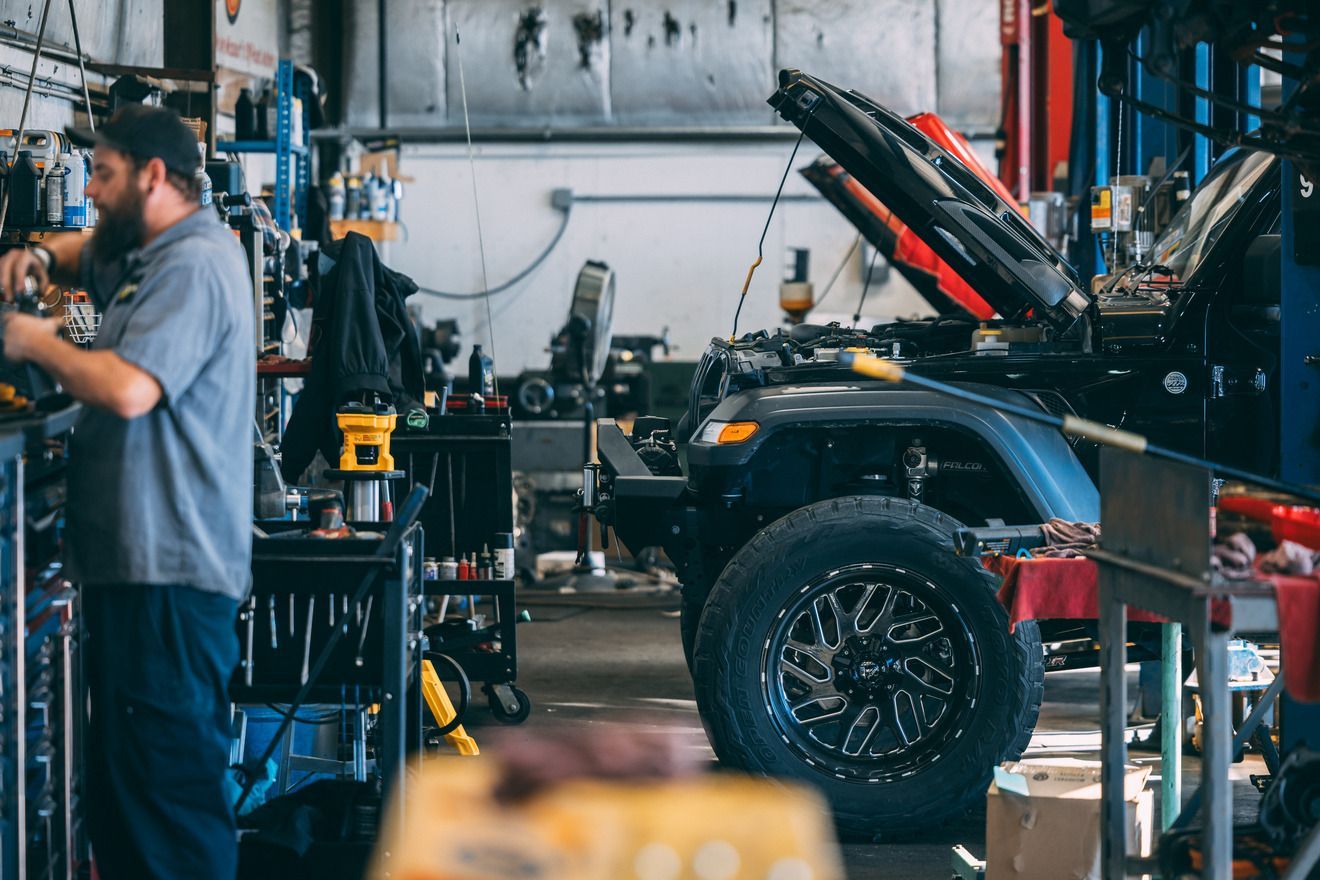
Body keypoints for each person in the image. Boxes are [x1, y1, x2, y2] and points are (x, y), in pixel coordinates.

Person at [0, 104, 254, 880]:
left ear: (152, 176)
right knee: (127, 807)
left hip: (169, 587)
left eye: (104, 176)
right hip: (137, 579)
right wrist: (37, 255)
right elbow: (88, 252)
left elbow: (133, 388)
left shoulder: (196, 265)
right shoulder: (151, 253)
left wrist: (32, 339)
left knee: (167, 810)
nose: (95, 192)